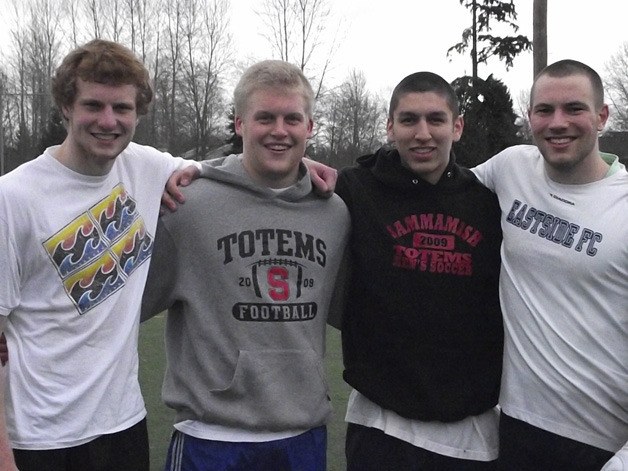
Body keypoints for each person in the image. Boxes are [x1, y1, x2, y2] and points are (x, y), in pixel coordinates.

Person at [140, 59, 350, 471]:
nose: (279, 130)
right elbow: (123, 303)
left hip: (303, 436)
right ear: (239, 124)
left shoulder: (335, 213)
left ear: (310, 127)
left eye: (292, 118)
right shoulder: (187, 206)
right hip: (211, 437)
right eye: (265, 117)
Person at [0, 39, 199, 471]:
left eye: (122, 109)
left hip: (123, 425)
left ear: (137, 114)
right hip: (40, 438)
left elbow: (225, 172)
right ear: (66, 108)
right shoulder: (13, 197)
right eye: (93, 105)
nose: (108, 121)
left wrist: (302, 168)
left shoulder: (145, 167)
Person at [331, 72, 503, 470]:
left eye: (436, 119)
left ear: (457, 126)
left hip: (468, 432)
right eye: (408, 120)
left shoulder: (490, 203)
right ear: (390, 127)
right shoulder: (353, 190)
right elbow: (277, 175)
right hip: (379, 425)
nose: (422, 133)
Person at [473, 59, 628, 471]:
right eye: (545, 110)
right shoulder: (510, 167)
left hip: (603, 446)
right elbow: (432, 188)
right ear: (530, 118)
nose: (558, 122)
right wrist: (306, 173)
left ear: (602, 116)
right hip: (513, 428)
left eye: (574, 109)